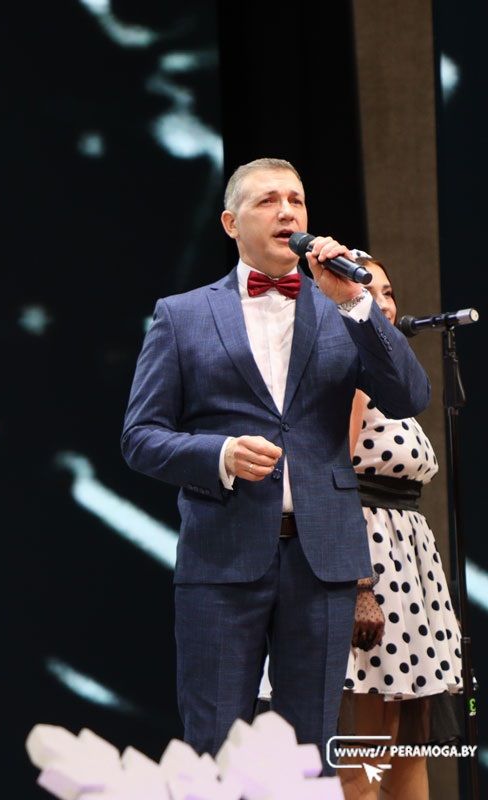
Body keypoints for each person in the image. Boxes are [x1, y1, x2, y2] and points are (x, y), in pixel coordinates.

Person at [121, 157, 430, 764]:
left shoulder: (342, 309)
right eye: (268, 201)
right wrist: (220, 454)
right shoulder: (182, 315)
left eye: (296, 200)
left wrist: (358, 304)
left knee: (306, 751)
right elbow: (140, 437)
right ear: (231, 223)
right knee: (214, 745)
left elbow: (409, 397)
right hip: (222, 556)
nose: (287, 211)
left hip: (323, 561)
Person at [339, 257, 462, 800]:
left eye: (388, 292)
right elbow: (332, 478)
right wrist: (358, 586)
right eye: (370, 291)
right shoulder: (349, 371)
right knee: (365, 757)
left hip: (410, 571)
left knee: (408, 751)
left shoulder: (393, 381)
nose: (384, 304)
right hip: (369, 566)